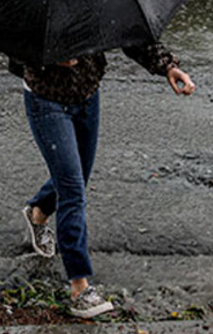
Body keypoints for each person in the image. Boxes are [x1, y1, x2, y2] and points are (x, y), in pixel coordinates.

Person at [11, 43, 195, 319]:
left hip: (87, 96)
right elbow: (13, 50)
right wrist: (48, 57)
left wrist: (168, 67)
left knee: (77, 178)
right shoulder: (29, 2)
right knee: (72, 191)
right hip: (46, 100)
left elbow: (128, 32)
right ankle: (79, 287)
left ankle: (38, 212)